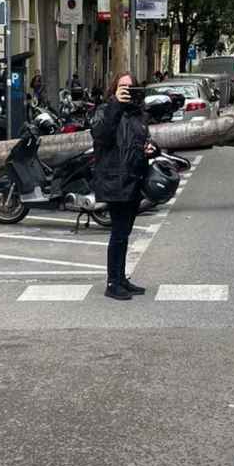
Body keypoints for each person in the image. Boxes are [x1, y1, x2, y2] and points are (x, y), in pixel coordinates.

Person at [90, 72, 155, 301]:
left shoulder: (138, 115)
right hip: (114, 180)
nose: (126, 90)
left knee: (124, 233)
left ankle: (121, 278)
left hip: (134, 179)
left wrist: (150, 149)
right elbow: (102, 136)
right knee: (118, 233)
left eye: (130, 87)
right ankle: (112, 283)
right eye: (122, 86)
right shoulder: (105, 110)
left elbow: (142, 141)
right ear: (114, 88)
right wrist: (116, 103)